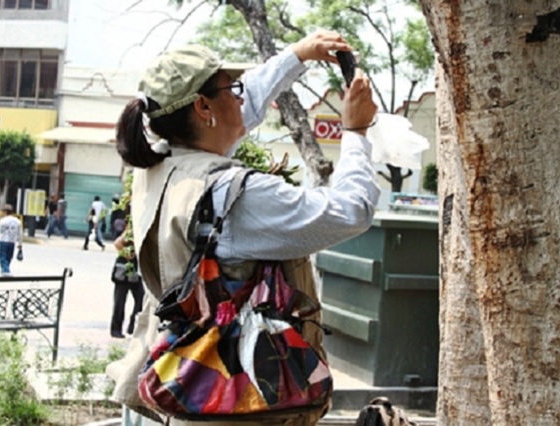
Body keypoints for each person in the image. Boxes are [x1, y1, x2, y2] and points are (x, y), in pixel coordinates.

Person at [111, 30, 379, 426]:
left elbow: (244, 104)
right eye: (230, 89)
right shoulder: (238, 195)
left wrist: (297, 55)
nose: (241, 96)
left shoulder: (159, 167)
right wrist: (355, 134)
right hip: (241, 401)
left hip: (186, 382)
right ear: (203, 107)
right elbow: (350, 210)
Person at [109, 231, 144, 339]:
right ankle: (116, 330)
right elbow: (117, 243)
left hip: (134, 272)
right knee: (120, 302)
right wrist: (128, 253)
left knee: (141, 299)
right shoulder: (131, 230)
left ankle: (132, 326)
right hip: (124, 270)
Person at [0, 204, 23, 276]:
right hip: (12, 241)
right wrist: (20, 243)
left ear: (5, 212)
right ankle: (4, 270)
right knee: (9, 256)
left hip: (3, 240)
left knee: (2, 256)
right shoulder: (17, 221)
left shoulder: (3, 221)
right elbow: (20, 233)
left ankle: (6, 270)